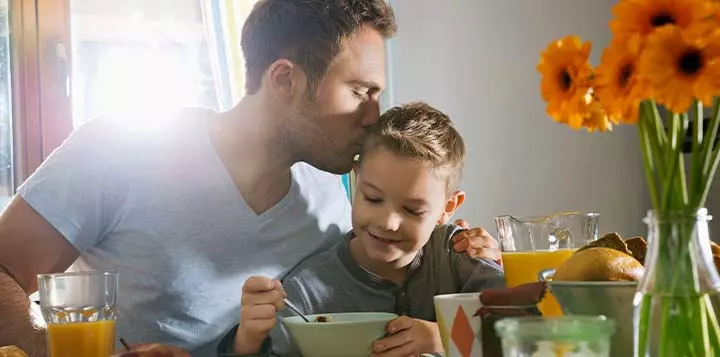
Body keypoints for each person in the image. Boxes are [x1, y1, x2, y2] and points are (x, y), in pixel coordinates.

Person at [0, 1, 499, 356]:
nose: (374, 116)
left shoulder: (336, 191)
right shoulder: (118, 149)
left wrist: (457, 244)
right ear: (285, 80)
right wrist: (52, 350)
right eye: (360, 92)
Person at [228, 102, 505, 357]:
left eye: (412, 210)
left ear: (447, 208)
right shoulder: (306, 293)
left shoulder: (458, 253)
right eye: (373, 198)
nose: (387, 222)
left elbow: (528, 322)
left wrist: (443, 337)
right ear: (356, 177)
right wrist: (247, 343)